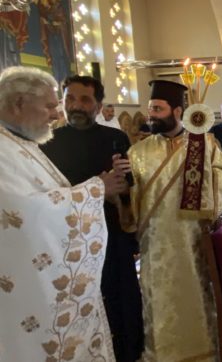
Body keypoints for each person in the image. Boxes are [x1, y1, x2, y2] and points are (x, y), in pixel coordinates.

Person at [0, 66, 127, 361]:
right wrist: (97, 189)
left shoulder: (19, 142)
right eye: (49, 106)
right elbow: (20, 212)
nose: (56, 114)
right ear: (18, 104)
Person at [116, 80, 222, 361]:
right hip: (154, 246)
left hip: (192, 242)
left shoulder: (204, 144)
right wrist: (122, 192)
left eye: (157, 109)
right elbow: (130, 201)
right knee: (158, 304)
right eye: (150, 109)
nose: (151, 116)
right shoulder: (138, 152)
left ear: (177, 111)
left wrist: (207, 180)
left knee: (194, 299)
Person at [41, 75, 144, 362]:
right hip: (67, 240)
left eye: (84, 100)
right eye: (70, 99)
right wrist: (98, 188)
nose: (76, 105)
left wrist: (119, 192)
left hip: (111, 235)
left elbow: (129, 188)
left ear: (98, 106)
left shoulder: (116, 138)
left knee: (120, 301)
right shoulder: (47, 143)